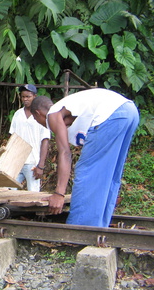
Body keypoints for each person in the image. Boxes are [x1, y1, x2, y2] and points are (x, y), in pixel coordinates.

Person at [30, 88, 139, 227]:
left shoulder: (53, 114)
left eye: (35, 119)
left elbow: (65, 153)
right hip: (129, 111)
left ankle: (80, 229)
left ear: (38, 113)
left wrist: (59, 193)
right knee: (108, 173)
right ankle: (99, 226)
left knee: (86, 171)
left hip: (112, 115)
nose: (37, 122)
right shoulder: (67, 109)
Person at [9, 84, 50, 191]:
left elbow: (45, 140)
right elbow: (12, 138)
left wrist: (40, 165)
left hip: (33, 162)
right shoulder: (18, 114)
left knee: (33, 193)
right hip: (17, 161)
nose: (25, 99)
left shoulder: (40, 114)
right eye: (23, 97)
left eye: (28, 97)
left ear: (34, 97)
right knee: (9, 192)